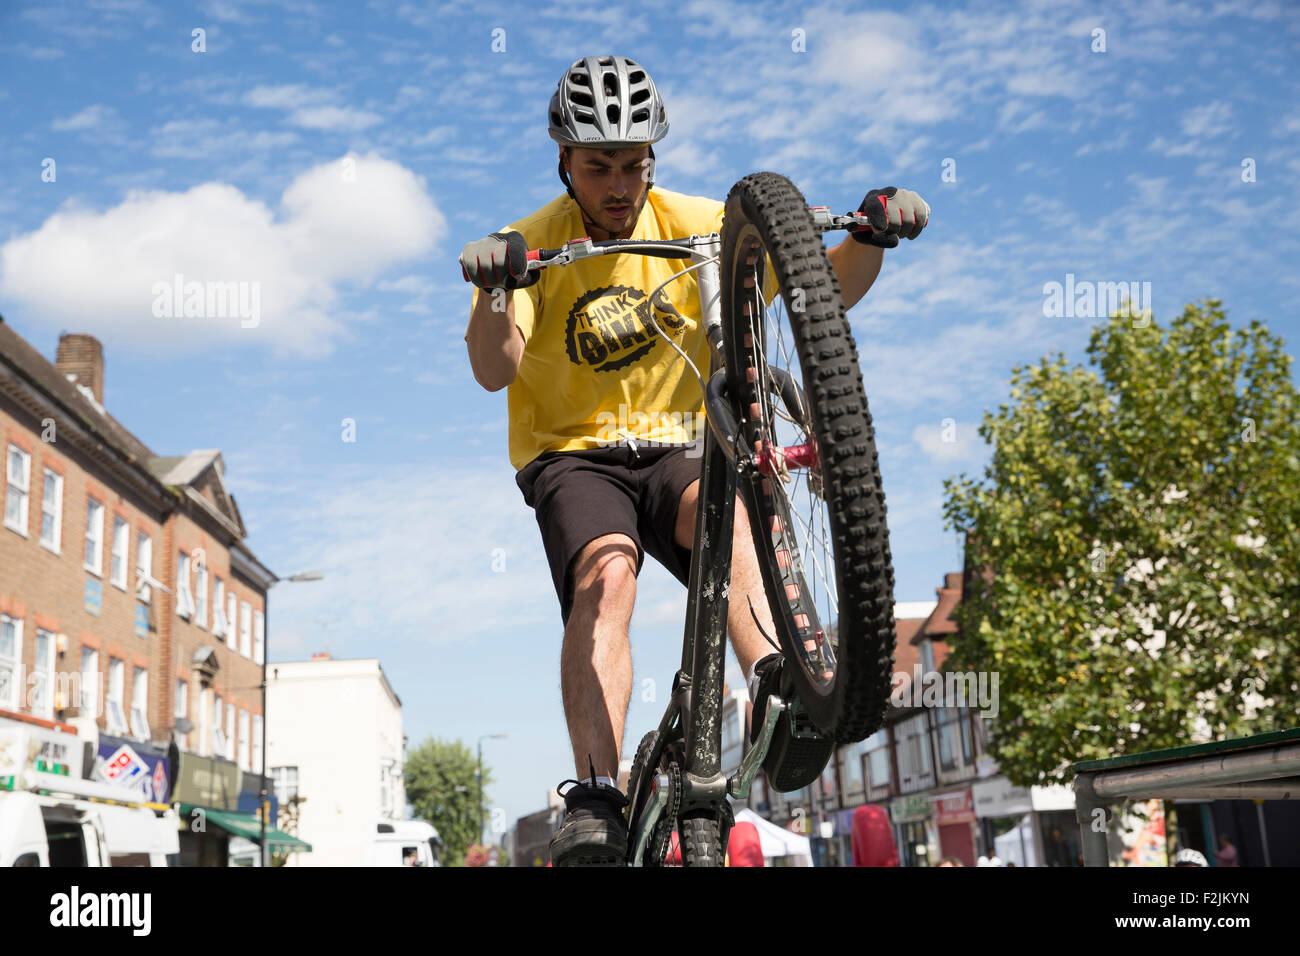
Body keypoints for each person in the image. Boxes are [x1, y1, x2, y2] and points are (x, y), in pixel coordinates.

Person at [461, 54, 931, 867]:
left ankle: (779, 689)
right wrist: (499, 289)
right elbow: (493, 367)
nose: (617, 185)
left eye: (633, 166)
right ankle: (597, 797)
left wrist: (874, 236)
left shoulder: (699, 223)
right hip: (576, 459)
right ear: (563, 161)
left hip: (679, 446)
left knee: (734, 522)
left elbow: (822, 290)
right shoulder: (528, 244)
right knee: (607, 578)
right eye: (597, 166)